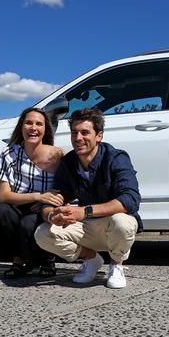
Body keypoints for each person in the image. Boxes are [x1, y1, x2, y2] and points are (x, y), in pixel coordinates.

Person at [35, 107, 142, 289]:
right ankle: (91, 259)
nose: (78, 138)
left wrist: (84, 211)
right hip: (87, 227)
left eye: (85, 132)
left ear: (99, 135)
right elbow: (51, 199)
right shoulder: (69, 163)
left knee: (123, 222)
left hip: (111, 224)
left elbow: (131, 199)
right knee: (42, 234)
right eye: (74, 133)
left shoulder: (116, 158)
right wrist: (52, 216)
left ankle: (116, 265)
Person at [0, 107, 64, 278]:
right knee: (0, 213)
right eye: (28, 123)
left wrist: (44, 201)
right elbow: (4, 196)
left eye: (39, 124)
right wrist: (37, 195)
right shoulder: (10, 154)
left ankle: (47, 258)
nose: (33, 128)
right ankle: (18, 260)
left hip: (43, 209)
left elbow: (67, 188)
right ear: (21, 127)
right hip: (18, 204)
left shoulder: (58, 155)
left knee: (28, 224)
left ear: (45, 129)